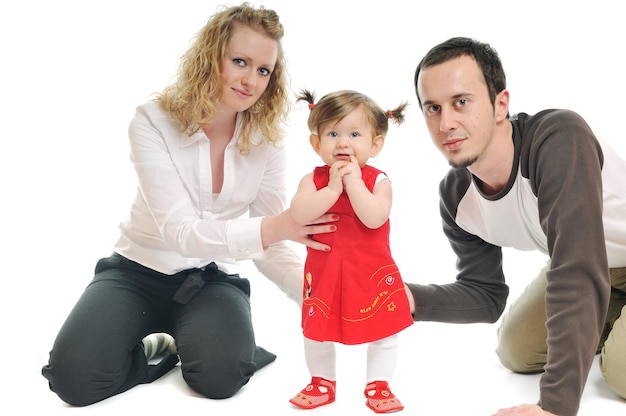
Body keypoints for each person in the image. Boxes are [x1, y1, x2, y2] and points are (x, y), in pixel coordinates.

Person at [41, 3, 337, 406]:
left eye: (263, 70)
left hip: (208, 280)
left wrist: (313, 294)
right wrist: (279, 226)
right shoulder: (152, 121)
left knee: (222, 377)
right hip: (134, 273)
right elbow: (181, 233)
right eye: (240, 61)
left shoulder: (266, 139)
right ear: (211, 57)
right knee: (73, 380)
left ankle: (215, 342)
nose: (251, 80)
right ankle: (161, 353)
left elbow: (268, 244)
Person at [408, 36, 626, 416]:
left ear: (500, 104)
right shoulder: (456, 196)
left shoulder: (558, 139)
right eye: (433, 108)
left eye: (461, 102)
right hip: (602, 269)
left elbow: (575, 267)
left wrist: (555, 407)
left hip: (586, 263)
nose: (446, 123)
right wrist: (407, 298)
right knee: (516, 349)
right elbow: (484, 294)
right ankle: (607, 317)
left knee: (620, 370)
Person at [287, 89, 413, 413]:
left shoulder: (378, 180)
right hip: (327, 272)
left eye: (354, 134)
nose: (343, 143)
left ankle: (379, 383)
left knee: (384, 330)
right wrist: (332, 188)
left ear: (375, 144)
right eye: (332, 134)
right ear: (317, 144)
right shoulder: (312, 180)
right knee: (317, 329)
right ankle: (322, 381)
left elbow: (375, 217)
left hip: (369, 271)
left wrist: (353, 184)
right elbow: (299, 213)